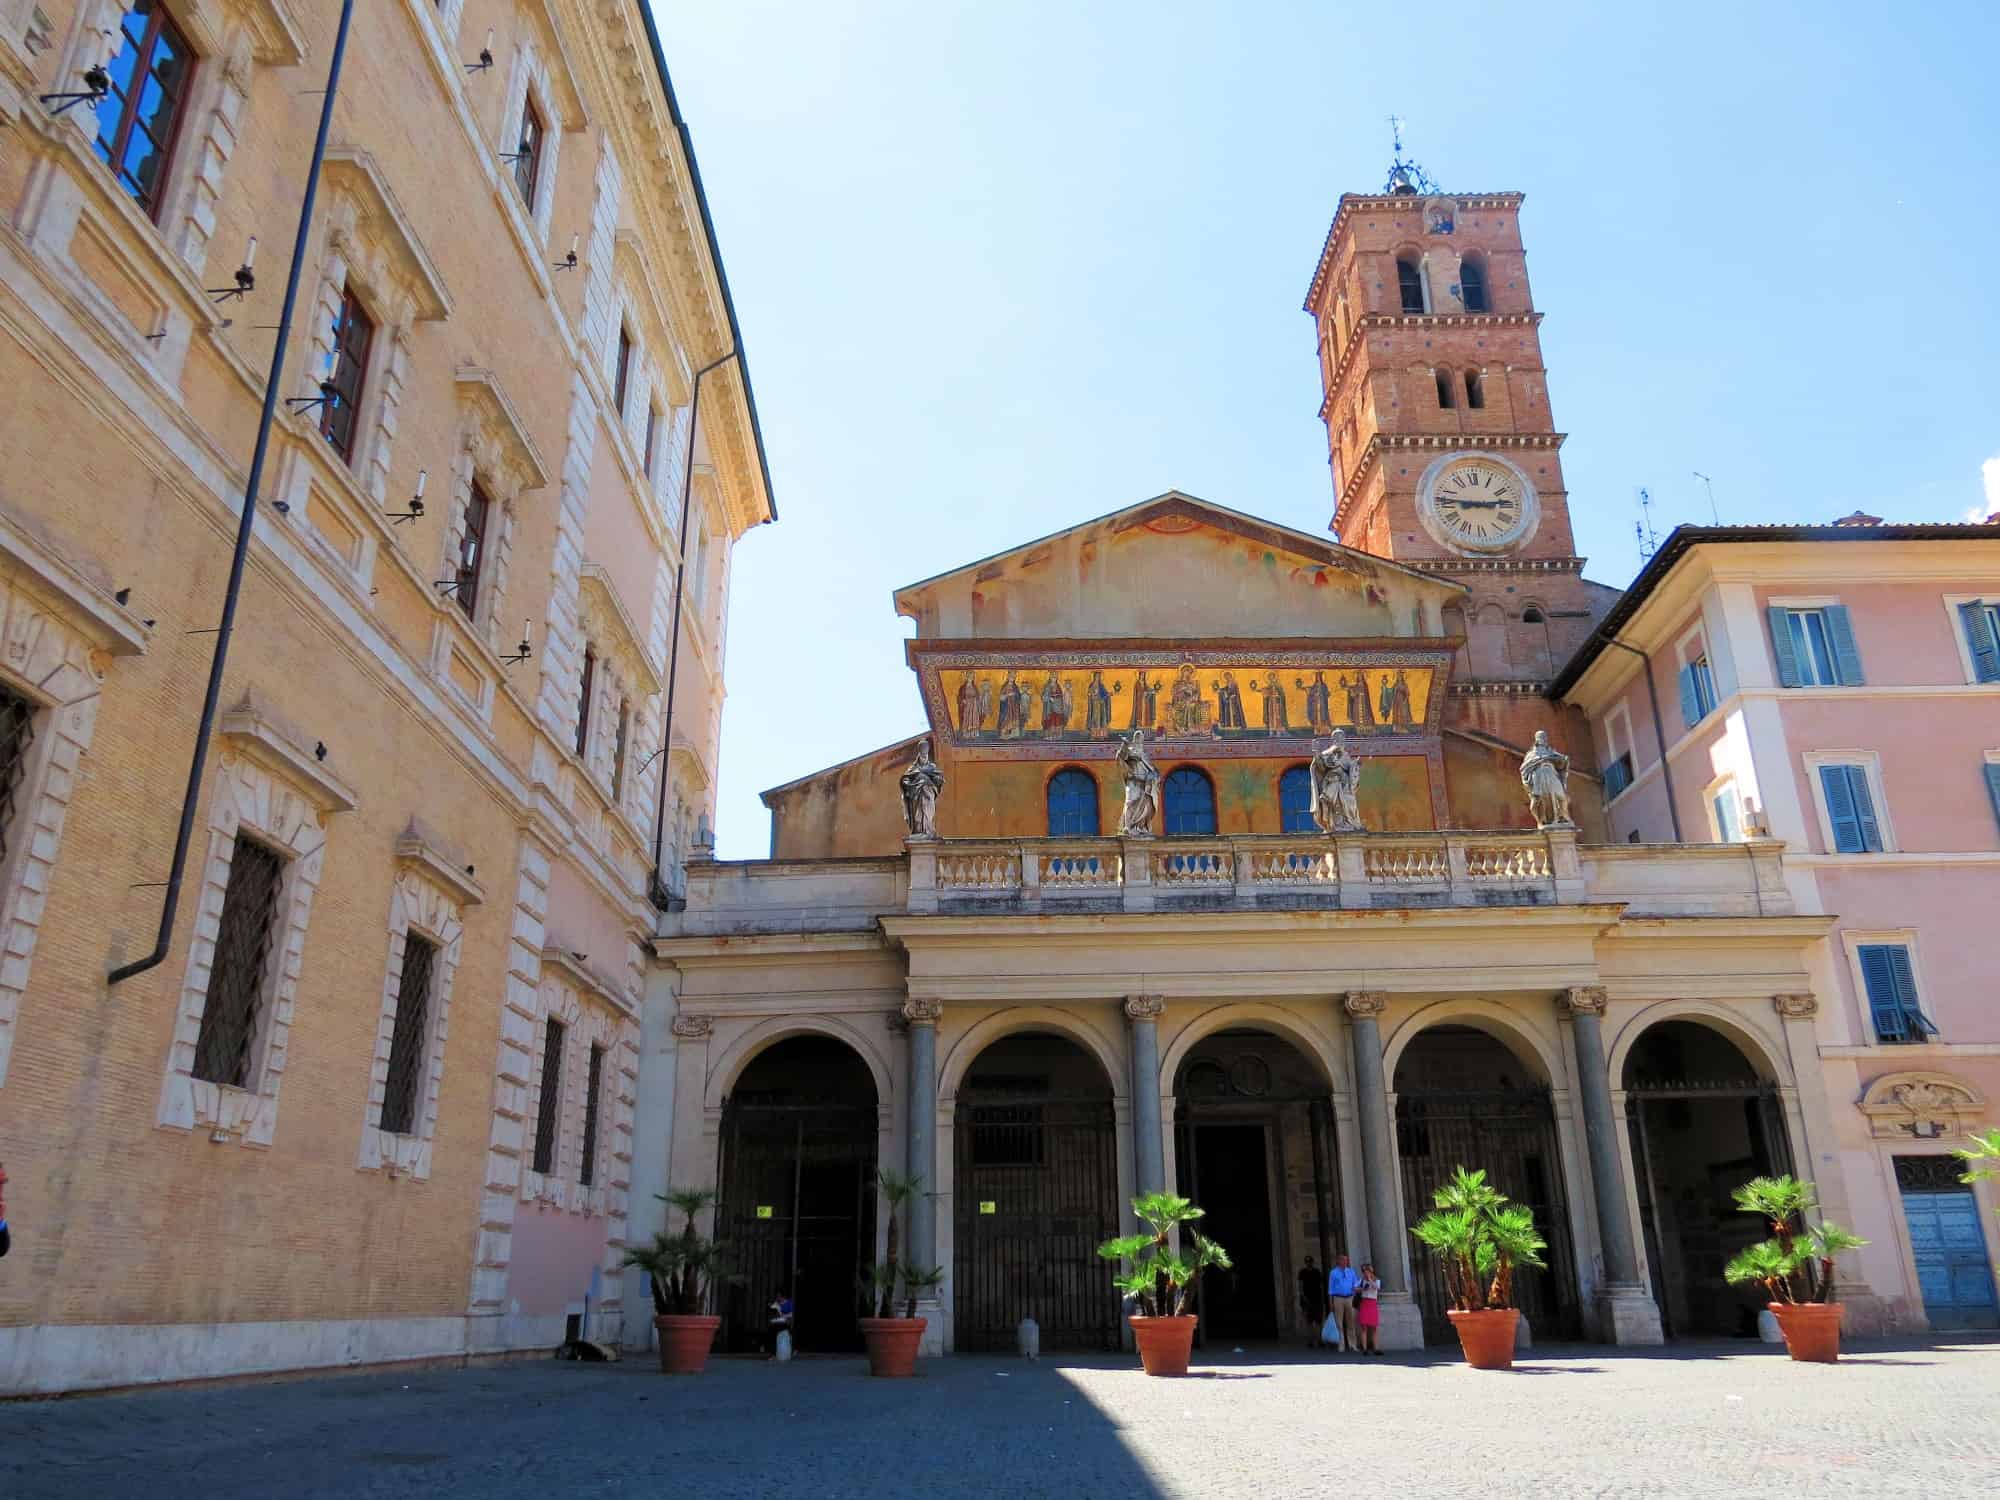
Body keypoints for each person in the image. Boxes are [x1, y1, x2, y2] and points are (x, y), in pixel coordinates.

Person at [1325, 1253, 1360, 1353]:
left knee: (1351, 1322)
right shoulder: (1333, 1273)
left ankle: (1352, 1344)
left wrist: (1356, 1292)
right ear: (1338, 1261)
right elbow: (1330, 1288)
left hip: (1349, 1298)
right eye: (1343, 1260)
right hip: (1338, 1298)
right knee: (1339, 1323)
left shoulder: (1351, 1272)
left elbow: (1356, 1284)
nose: (1345, 1262)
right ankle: (1341, 1344)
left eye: (1346, 1260)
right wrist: (1331, 1302)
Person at [1297, 1255, 1327, 1347]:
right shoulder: (1302, 1272)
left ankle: (1319, 1340)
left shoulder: (1317, 1272)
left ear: (1312, 1262)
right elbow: (1300, 1286)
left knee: (1318, 1321)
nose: (1309, 1263)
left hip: (1317, 1299)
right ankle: (1310, 1340)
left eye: (1310, 1262)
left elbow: (1321, 1286)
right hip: (1307, 1300)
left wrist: (1322, 1299)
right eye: (1307, 1262)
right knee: (1308, 1321)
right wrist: (1303, 1297)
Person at [1355, 1263, 1383, 1355]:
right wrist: (1362, 1288)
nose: (1366, 1273)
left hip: (1372, 1303)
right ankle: (1365, 1348)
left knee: (1374, 1327)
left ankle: (1376, 1348)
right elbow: (1355, 1288)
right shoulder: (1361, 1280)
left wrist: (1370, 1280)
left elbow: (1377, 1288)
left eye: (1367, 1271)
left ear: (1371, 1272)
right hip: (1364, 1303)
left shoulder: (1377, 1280)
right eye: (1364, 1272)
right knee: (1364, 1327)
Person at [766, 1286, 794, 1359]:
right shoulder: (776, 1304)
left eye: (778, 1295)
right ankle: (773, 1354)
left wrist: (780, 1319)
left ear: (781, 1295)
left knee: (781, 1328)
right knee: (771, 1329)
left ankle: (791, 1350)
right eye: (776, 1296)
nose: (777, 1297)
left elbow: (789, 1320)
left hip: (786, 1324)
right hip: (777, 1324)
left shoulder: (789, 1303)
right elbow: (773, 1317)